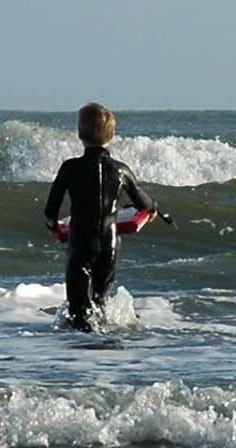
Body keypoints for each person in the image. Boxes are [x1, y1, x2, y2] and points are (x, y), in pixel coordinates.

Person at [43, 103, 157, 332]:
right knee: (99, 306)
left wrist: (54, 228)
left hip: (80, 244)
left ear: (79, 134)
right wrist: (153, 209)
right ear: (112, 136)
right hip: (109, 246)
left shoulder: (69, 168)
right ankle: (103, 356)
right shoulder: (121, 170)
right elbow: (144, 203)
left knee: (79, 312)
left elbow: (49, 212)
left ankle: (83, 359)